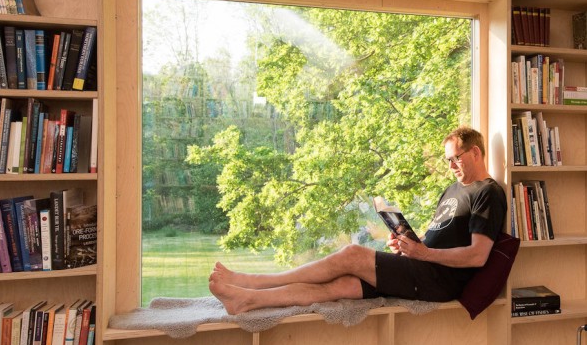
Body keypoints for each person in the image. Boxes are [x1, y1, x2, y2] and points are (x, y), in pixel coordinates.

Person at [208, 126, 507, 314]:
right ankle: (247, 300)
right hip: (421, 267)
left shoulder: (488, 193)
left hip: (438, 281)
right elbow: (439, 238)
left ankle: (253, 282)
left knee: (351, 253)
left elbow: (478, 255)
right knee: (340, 285)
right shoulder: (453, 189)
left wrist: (424, 253)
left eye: (456, 158)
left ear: (476, 152)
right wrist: (407, 244)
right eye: (447, 161)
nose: (451, 165)